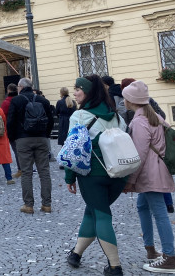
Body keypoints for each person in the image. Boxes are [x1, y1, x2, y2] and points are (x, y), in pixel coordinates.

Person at [64, 75, 127, 275]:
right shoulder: (117, 116)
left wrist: (69, 177)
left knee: (102, 215)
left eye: (78, 89)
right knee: (93, 210)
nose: (74, 93)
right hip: (118, 174)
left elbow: (72, 150)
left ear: (88, 92)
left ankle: (115, 266)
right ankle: (76, 254)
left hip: (93, 175)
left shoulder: (79, 117)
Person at [121, 80, 175, 273]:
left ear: (131, 100)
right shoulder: (154, 116)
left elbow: (139, 155)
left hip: (150, 173)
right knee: (142, 206)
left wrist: (130, 181)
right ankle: (151, 249)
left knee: (160, 213)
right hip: (159, 170)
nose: (124, 100)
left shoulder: (139, 121)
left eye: (126, 97)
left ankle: (169, 258)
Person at [7, 78, 54, 214]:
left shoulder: (16, 100)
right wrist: (46, 135)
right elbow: (50, 120)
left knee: (26, 172)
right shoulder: (43, 101)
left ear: (20, 87)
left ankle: (28, 205)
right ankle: (47, 204)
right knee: (44, 172)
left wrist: (13, 138)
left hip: (23, 139)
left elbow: (10, 121)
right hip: (41, 138)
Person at [1, 83, 21, 178]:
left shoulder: (6, 102)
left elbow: (2, 116)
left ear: (8, 90)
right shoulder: (21, 99)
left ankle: (20, 169)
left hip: (12, 129)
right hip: (22, 128)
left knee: (17, 150)